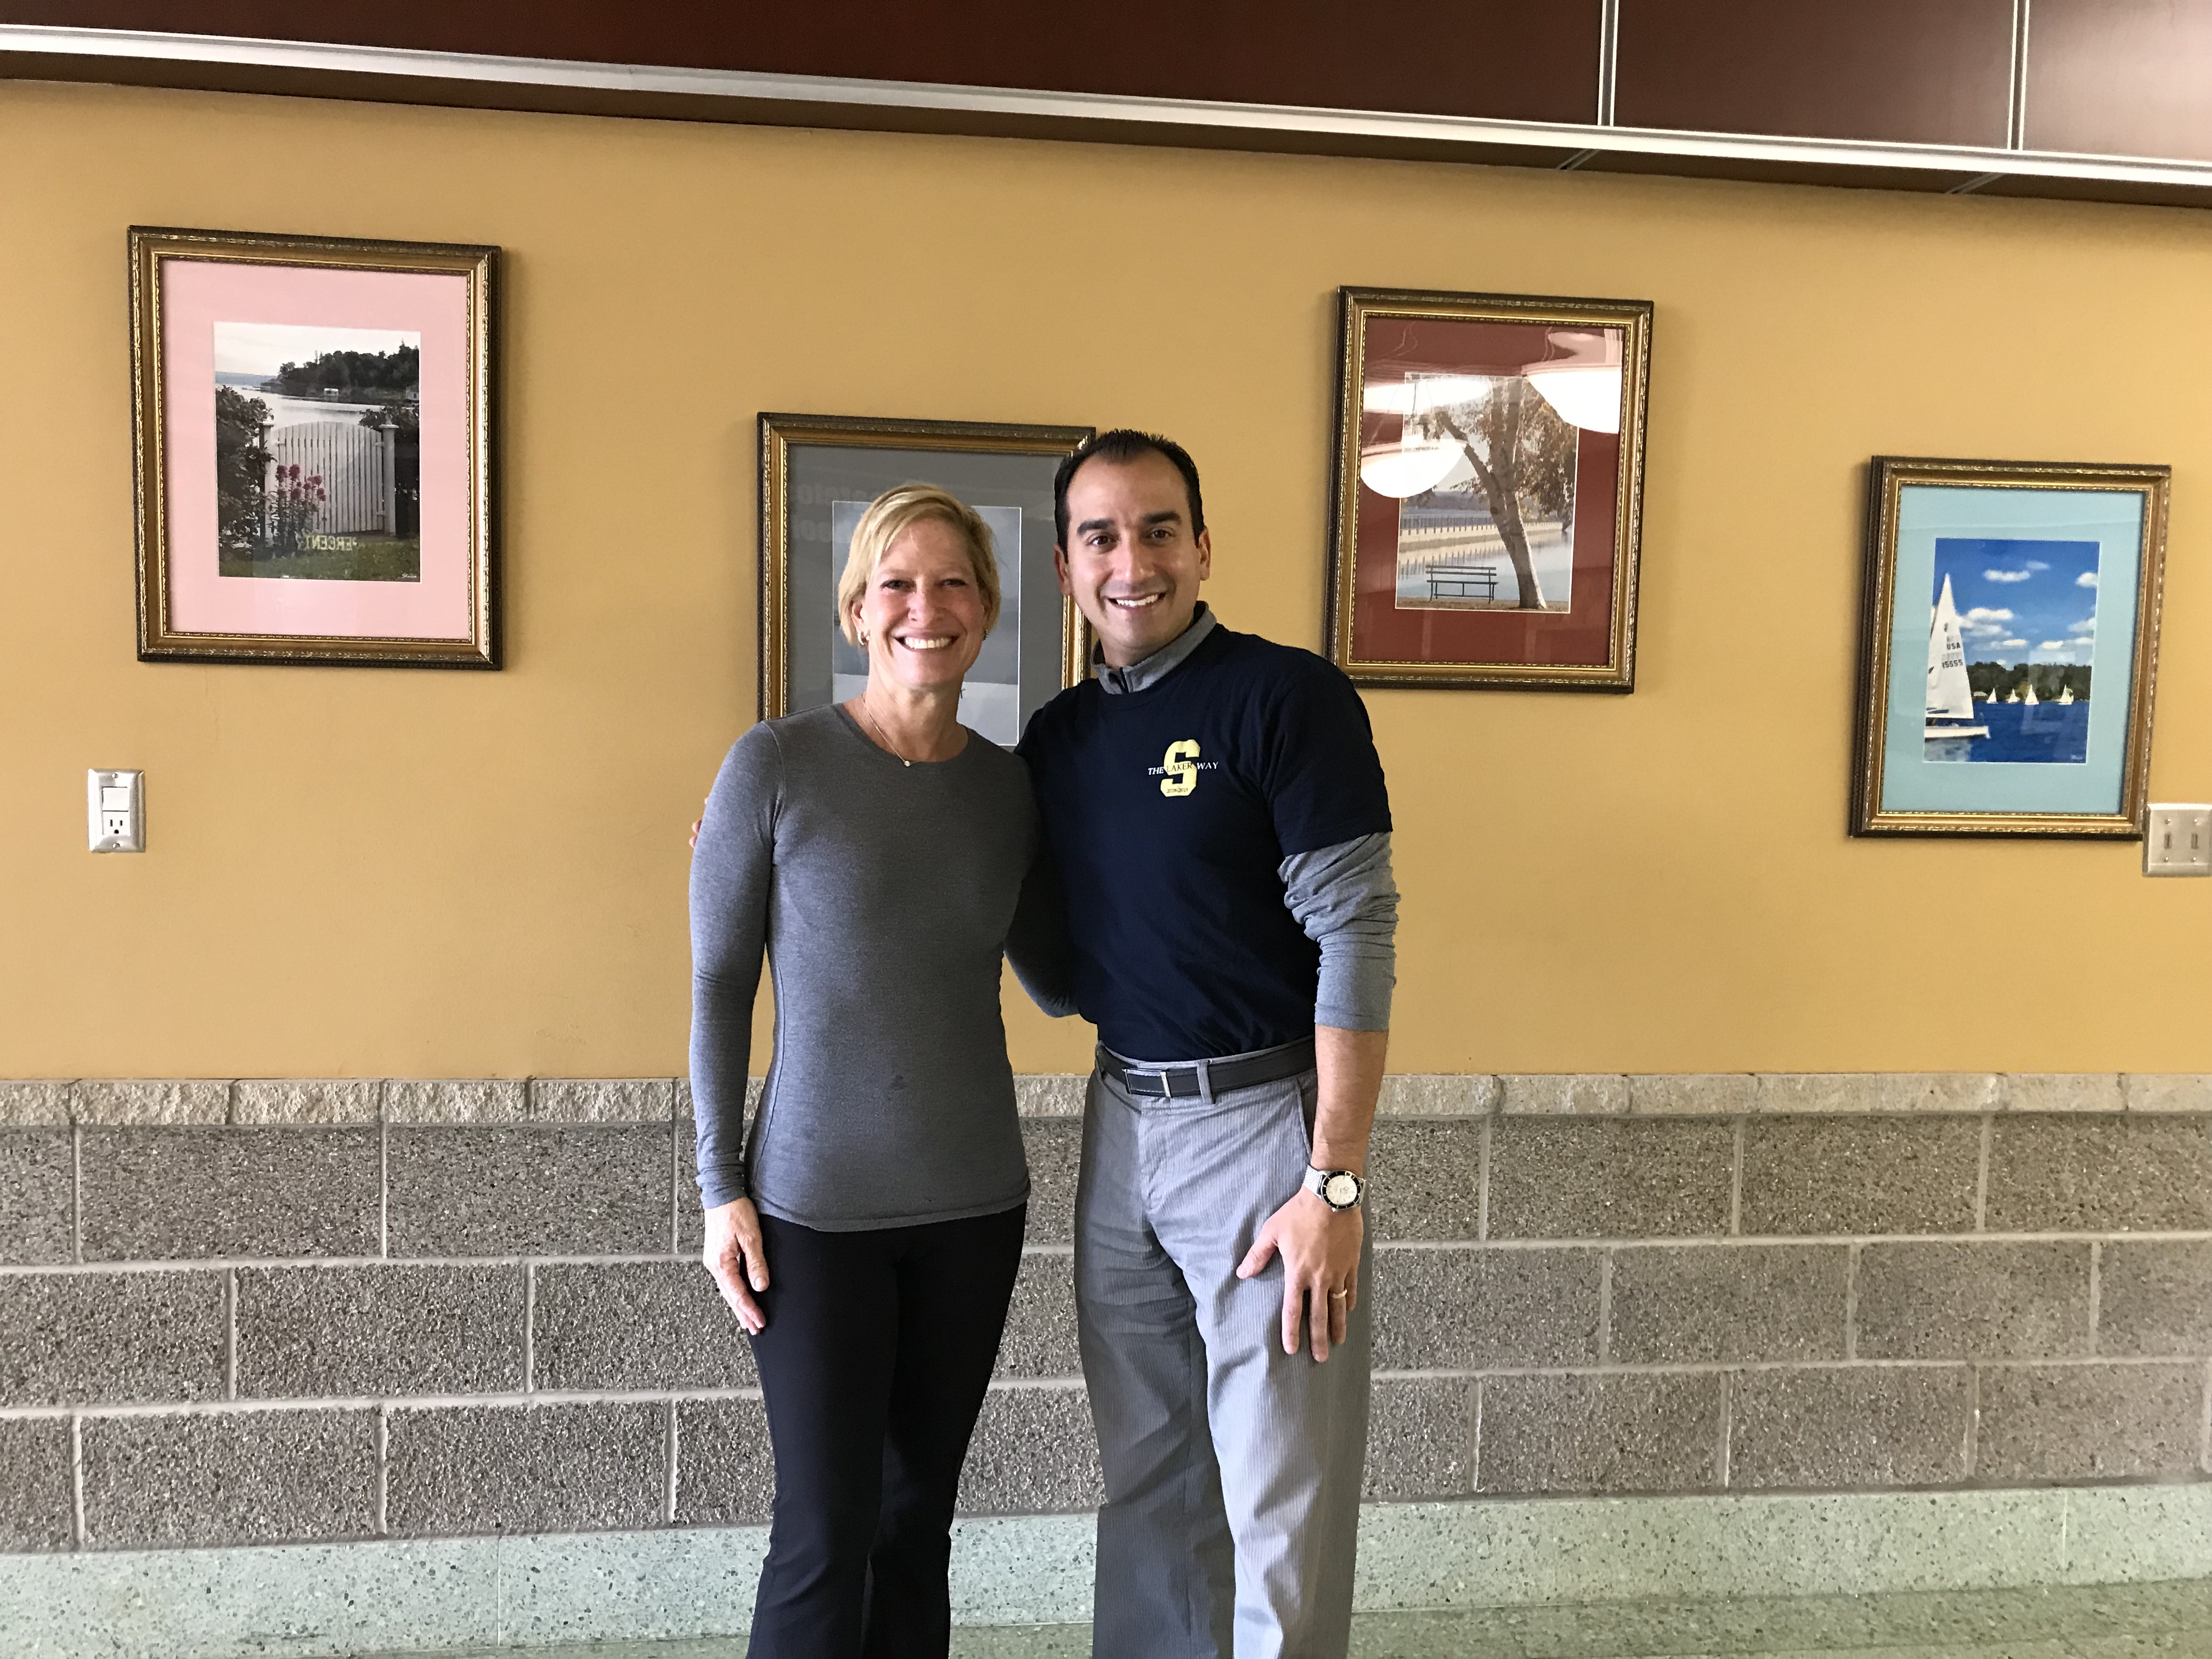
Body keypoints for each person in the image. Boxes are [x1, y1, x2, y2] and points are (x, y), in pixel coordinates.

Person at [1015, 430, 1398, 1659]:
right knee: (1151, 1482)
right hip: (1122, 1124)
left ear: (1203, 544)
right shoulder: (1059, 742)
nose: (1134, 561)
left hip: (1263, 1132)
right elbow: (1062, 972)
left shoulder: (1284, 698)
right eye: (1101, 536)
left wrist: (1331, 1178)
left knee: (1277, 1499)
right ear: (1069, 565)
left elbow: (1357, 933)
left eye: (1159, 529)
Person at [689, 483, 1060, 1659]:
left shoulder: (1009, 790)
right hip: (812, 1212)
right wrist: (718, 1188)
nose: (925, 606)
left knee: (916, 1527)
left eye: (953, 581)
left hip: (975, 1208)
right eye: (896, 582)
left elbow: (1059, 975)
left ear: (988, 613)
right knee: (824, 1530)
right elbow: (716, 987)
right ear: (856, 611)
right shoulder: (778, 765)